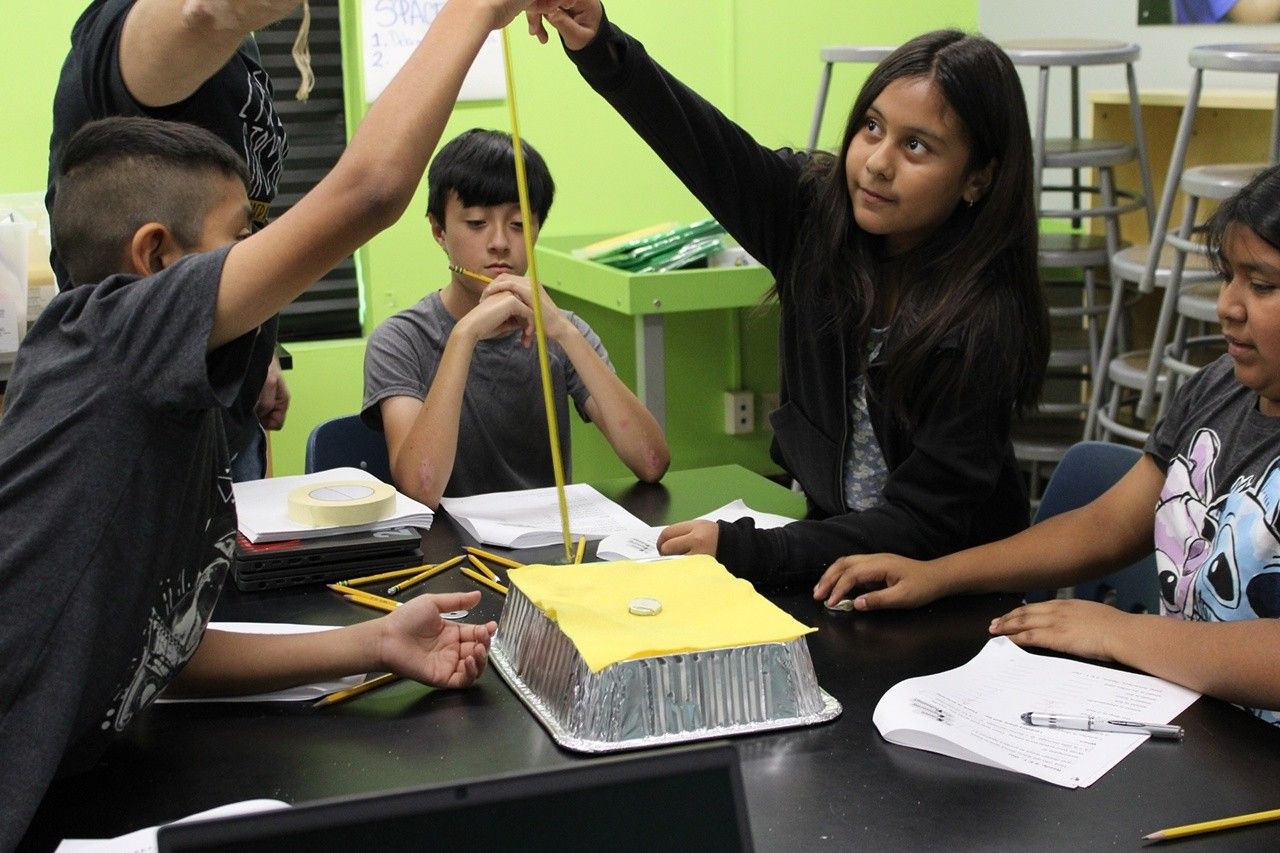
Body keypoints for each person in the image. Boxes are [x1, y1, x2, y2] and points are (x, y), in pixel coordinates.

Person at [0, 2, 535, 846]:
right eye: (243, 234)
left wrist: (373, 644)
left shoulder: (166, 409)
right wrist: (474, 11)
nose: (265, 251)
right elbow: (369, 191)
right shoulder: (106, 333)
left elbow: (157, 649)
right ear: (157, 260)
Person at [526, 5, 1049, 585]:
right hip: (836, 559)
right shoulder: (814, 219)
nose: (877, 163)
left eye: (917, 147)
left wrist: (744, 548)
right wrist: (601, 46)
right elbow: (705, 146)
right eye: (872, 127)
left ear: (978, 178)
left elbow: (921, 527)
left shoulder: (983, 324)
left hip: (952, 595)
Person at [815, 165, 1280, 727]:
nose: (1228, 305)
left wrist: (1119, 632)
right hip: (1192, 727)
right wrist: (937, 573)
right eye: (1228, 277)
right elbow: (1109, 525)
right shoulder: (1217, 390)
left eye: (1262, 285)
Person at [46, 0, 304, 480]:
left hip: (223, 396)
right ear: (154, 255)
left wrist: (258, 344)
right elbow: (368, 193)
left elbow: (235, 226)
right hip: (160, 421)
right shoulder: (124, 37)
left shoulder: (235, 62)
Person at [362, 128, 669, 508]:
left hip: (546, 551)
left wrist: (565, 333)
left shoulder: (561, 330)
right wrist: (464, 336)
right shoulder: (400, 340)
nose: (500, 243)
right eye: (476, 223)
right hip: (448, 552)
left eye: (519, 224)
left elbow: (652, 462)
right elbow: (422, 489)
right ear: (439, 231)